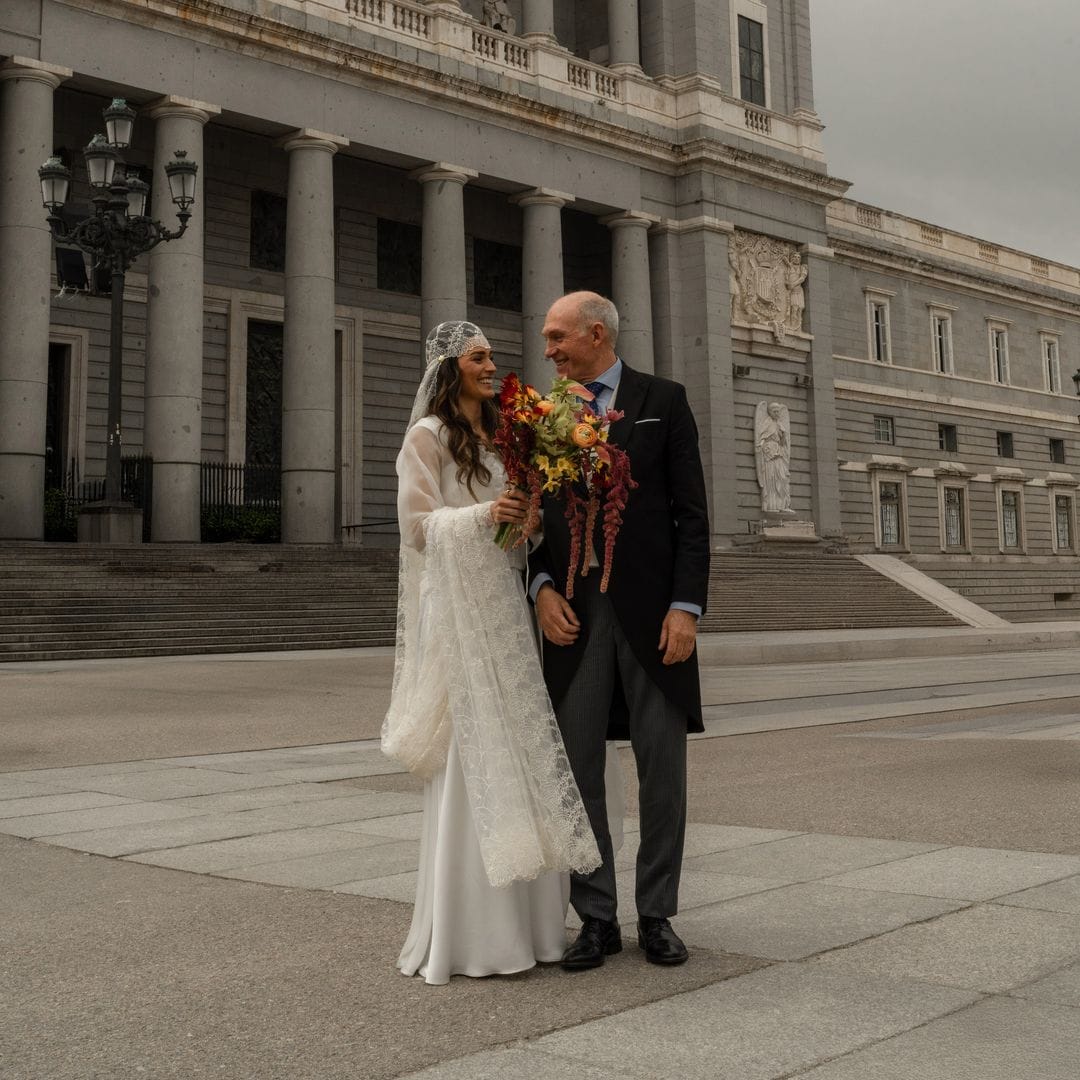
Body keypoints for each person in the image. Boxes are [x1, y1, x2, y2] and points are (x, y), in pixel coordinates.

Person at [382, 320, 600, 986]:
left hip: (502, 604)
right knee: (473, 752)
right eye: (478, 357)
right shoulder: (427, 437)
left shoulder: (499, 436)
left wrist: (523, 523)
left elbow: (507, 526)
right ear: (450, 368)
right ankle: (473, 933)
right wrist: (483, 517)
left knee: (518, 745)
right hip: (456, 611)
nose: (491, 365)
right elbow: (416, 527)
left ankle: (532, 926)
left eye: (491, 356)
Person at [528, 292, 710, 970]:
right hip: (575, 617)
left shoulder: (666, 398)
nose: (549, 350)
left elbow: (692, 515)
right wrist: (540, 587)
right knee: (577, 773)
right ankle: (596, 918)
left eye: (557, 338)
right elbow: (532, 516)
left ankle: (657, 916)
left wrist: (686, 607)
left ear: (595, 334)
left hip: (654, 614)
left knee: (663, 774)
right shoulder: (545, 415)